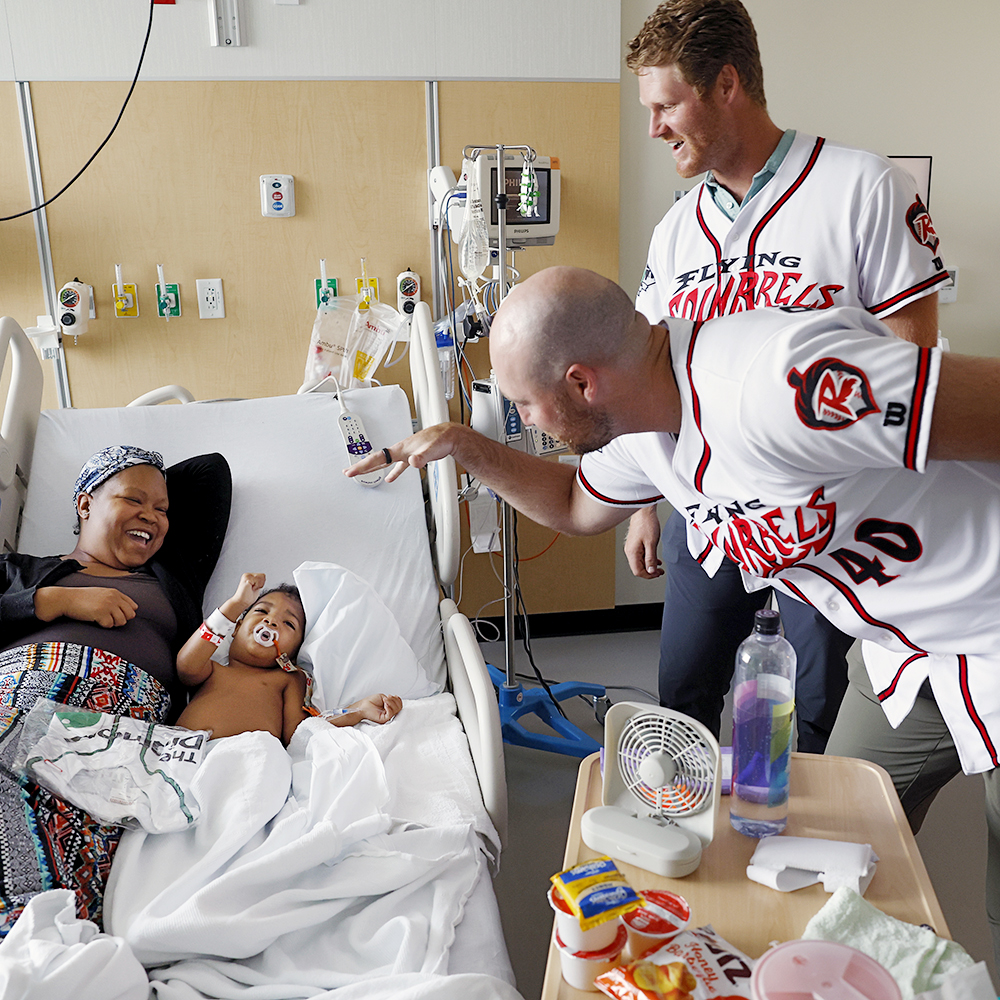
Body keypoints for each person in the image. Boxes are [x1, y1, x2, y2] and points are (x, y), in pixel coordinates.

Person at [346, 265, 1000, 959]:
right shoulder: (643, 432)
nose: (526, 424)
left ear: (580, 382)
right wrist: (464, 448)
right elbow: (575, 506)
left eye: (525, 406)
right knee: (837, 860)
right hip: (910, 657)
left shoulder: (782, 384)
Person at [621, 0, 949, 752]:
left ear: (726, 83)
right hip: (707, 514)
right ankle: (694, 854)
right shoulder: (676, 233)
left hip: (829, 520)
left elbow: (915, 370)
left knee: (813, 712)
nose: (654, 128)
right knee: (684, 700)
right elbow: (647, 378)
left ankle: (794, 859)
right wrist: (643, 504)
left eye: (666, 104)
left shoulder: (862, 189)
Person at [0, 444, 231, 932]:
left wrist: (134, 495)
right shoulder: (21, 574)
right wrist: (53, 601)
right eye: (133, 500)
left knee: (69, 854)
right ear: (84, 504)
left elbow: (209, 472)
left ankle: (34, 937)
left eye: (162, 508)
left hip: (117, 718)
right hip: (18, 686)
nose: (152, 516)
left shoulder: (170, 577)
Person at [176, 572, 402, 743]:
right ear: (235, 628)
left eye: (289, 623)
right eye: (261, 611)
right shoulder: (213, 670)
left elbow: (302, 731)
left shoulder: (287, 680)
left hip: (243, 757)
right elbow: (186, 665)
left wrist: (358, 711)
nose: (271, 621)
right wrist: (235, 605)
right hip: (178, 752)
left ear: (292, 653)